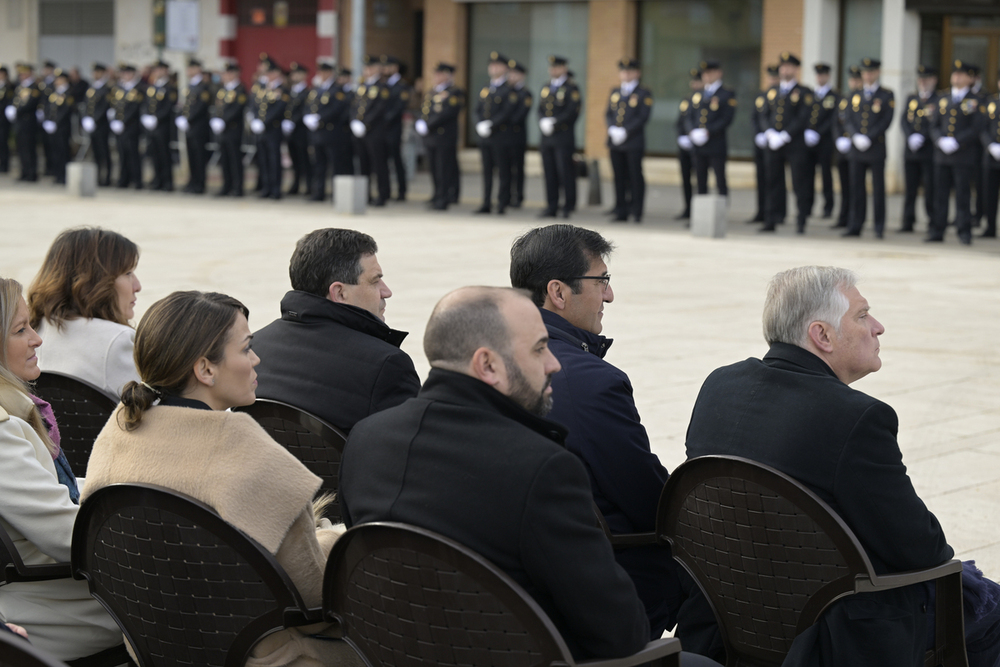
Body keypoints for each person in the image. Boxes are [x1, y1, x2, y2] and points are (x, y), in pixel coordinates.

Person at [683, 266, 1000, 667]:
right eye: (863, 315)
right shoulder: (857, 417)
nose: (878, 327)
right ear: (822, 335)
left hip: (733, 616)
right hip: (834, 636)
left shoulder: (719, 385)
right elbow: (925, 551)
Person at [339, 285, 649, 660]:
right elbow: (621, 634)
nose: (554, 363)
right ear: (487, 365)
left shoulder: (365, 438)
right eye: (539, 348)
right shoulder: (542, 467)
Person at [82, 291, 363, 667]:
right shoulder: (240, 445)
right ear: (206, 369)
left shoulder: (121, 428)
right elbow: (313, 596)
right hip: (261, 655)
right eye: (246, 349)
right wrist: (334, 540)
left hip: (153, 648)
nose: (256, 358)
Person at [509, 224, 681, 639]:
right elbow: (648, 499)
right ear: (558, 292)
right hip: (600, 578)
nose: (609, 295)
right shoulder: (591, 381)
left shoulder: (495, 359)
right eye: (601, 280)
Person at [0, 277, 123, 661]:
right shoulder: (3, 430)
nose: (37, 340)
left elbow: (49, 491)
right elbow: (65, 534)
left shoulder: (12, 412)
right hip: (56, 601)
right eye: (21, 329)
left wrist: (127, 488)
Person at [253, 229, 419, 433]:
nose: (387, 291)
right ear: (339, 293)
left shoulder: (253, 349)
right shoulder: (387, 366)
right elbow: (411, 451)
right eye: (375, 281)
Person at [27, 228, 141, 398]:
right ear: (96, 281)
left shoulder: (30, 330)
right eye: (128, 273)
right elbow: (153, 412)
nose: (137, 286)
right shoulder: (118, 340)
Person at [927, 60, 984, 245]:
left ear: (970, 78)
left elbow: (977, 128)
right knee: (940, 195)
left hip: (963, 155)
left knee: (962, 195)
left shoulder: (976, 100)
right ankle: (938, 229)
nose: (956, 77)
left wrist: (957, 141)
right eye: (955, 73)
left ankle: (964, 231)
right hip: (942, 155)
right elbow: (934, 125)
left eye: (961, 74)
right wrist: (940, 140)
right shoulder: (942, 98)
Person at [841, 58, 894, 239]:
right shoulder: (854, 94)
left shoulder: (887, 95)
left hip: (876, 147)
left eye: (871, 72)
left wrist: (869, 137)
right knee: (856, 188)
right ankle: (856, 224)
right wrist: (855, 136)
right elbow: (847, 118)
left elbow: (886, 120)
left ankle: (879, 226)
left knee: (878, 189)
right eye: (865, 72)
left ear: (877, 73)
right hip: (857, 148)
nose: (868, 75)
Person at [762, 53, 814, 233]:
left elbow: (802, 117)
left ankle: (801, 220)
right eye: (782, 67)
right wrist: (769, 132)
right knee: (772, 181)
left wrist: (785, 135)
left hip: (794, 144)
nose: (785, 70)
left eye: (789, 67)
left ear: (796, 69)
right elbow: (764, 114)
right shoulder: (772, 92)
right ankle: (771, 218)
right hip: (774, 143)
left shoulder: (804, 92)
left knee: (799, 182)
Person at [606, 57, 653, 223]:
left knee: (634, 175)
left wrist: (626, 130)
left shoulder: (643, 93)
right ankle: (621, 209)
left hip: (633, 141)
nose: (625, 74)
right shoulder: (615, 92)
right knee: (619, 176)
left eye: (629, 71)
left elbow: (642, 117)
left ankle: (637, 210)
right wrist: (612, 128)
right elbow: (609, 114)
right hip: (615, 141)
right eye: (623, 71)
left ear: (637, 73)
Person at [685, 60, 735, 200]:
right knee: (700, 179)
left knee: (720, 178)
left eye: (710, 73)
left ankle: (721, 212)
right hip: (698, 144)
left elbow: (726, 118)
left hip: (715, 143)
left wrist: (708, 131)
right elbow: (688, 116)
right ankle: (701, 215)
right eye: (705, 74)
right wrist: (692, 132)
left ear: (719, 73)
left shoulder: (726, 93)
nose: (706, 76)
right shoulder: (698, 94)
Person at [416, 63, 464, 211]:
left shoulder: (455, 93)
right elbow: (425, 111)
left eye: (439, 74)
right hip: (430, 137)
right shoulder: (432, 92)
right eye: (435, 74)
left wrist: (428, 124)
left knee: (444, 167)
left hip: (444, 136)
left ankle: (444, 197)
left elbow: (447, 113)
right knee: (434, 167)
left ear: (447, 75)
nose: (436, 77)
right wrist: (420, 122)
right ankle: (437, 194)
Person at [538, 55, 581, 219]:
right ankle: (551, 205)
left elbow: (572, 112)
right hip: (547, 137)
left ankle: (568, 205)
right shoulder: (546, 87)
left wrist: (555, 123)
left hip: (563, 136)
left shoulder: (571, 88)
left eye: (557, 67)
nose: (553, 70)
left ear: (564, 68)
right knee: (549, 172)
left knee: (565, 172)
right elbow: (540, 108)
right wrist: (542, 121)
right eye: (551, 67)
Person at [304, 63, 353, 201]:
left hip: (332, 133)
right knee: (319, 165)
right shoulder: (316, 90)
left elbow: (336, 109)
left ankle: (337, 195)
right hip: (317, 133)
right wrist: (308, 117)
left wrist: (320, 118)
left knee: (335, 165)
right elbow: (309, 106)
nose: (322, 75)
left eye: (325, 72)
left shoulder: (337, 90)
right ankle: (319, 192)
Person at [474, 52, 515, 215]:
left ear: (505, 68)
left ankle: (502, 202)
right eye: (491, 65)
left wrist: (491, 124)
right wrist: (478, 123)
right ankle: (486, 202)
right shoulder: (486, 88)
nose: (493, 68)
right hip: (485, 137)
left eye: (497, 65)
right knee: (486, 170)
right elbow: (476, 109)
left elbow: (507, 112)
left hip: (501, 136)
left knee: (503, 170)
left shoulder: (508, 90)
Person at [900, 65, 939, 233]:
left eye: (927, 79)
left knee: (930, 189)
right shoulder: (912, 99)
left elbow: (937, 124)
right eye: (920, 79)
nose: (923, 82)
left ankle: (932, 222)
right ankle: (907, 221)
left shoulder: (938, 100)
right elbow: (904, 120)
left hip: (928, 150)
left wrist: (922, 136)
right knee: (910, 189)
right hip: (911, 151)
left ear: (934, 80)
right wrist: (910, 136)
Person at [351, 55, 390, 206]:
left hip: (375, 132)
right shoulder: (362, 86)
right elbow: (354, 106)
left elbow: (379, 109)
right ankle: (365, 195)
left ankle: (382, 194)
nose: (368, 70)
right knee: (363, 165)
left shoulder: (382, 87)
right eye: (366, 67)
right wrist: (354, 121)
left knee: (378, 164)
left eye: (371, 67)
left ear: (377, 69)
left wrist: (364, 124)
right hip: (359, 131)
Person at [251, 61, 289, 200]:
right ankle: (266, 188)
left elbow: (279, 109)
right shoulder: (262, 88)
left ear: (276, 73)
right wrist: (255, 119)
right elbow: (255, 104)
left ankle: (276, 189)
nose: (267, 76)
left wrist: (264, 122)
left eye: (270, 73)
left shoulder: (282, 88)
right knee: (263, 160)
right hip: (261, 130)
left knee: (274, 160)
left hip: (273, 129)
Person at [748, 65, 780, 224]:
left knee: (775, 180)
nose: (772, 80)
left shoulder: (781, 95)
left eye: (775, 77)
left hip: (775, 142)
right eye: (770, 77)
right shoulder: (761, 96)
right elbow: (755, 117)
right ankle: (761, 211)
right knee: (761, 178)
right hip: (761, 142)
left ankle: (777, 212)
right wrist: (759, 133)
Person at [832, 66, 863, 229]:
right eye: (852, 79)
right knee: (844, 185)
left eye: (857, 79)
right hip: (843, 148)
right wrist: (838, 139)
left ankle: (854, 217)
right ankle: (843, 216)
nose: (854, 83)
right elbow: (837, 122)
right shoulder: (844, 100)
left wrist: (853, 139)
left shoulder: (863, 99)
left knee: (855, 186)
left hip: (855, 147)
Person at [807, 63, 837, 219]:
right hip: (809, 142)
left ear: (828, 76)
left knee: (826, 174)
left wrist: (818, 132)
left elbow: (833, 119)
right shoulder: (810, 95)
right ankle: (808, 205)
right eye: (818, 75)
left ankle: (828, 206)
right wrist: (808, 131)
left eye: (823, 75)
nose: (820, 78)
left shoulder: (834, 96)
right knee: (808, 175)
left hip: (825, 141)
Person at [211, 63, 247, 197]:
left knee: (235, 159)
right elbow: (217, 107)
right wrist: (215, 118)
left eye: (227, 73)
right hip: (222, 131)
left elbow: (237, 109)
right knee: (224, 159)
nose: (224, 76)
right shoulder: (223, 90)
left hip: (233, 129)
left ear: (234, 74)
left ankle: (238, 187)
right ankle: (226, 185)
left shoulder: (240, 89)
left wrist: (223, 120)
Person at [140, 60, 176, 192]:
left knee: (164, 154)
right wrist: (145, 116)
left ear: (166, 71)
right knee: (154, 154)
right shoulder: (152, 87)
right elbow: (145, 103)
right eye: (156, 70)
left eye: (160, 69)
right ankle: (157, 180)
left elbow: (169, 106)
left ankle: (167, 182)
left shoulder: (170, 87)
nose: (158, 72)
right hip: (151, 126)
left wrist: (157, 118)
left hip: (163, 126)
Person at [177, 58, 211, 195]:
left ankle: (200, 183)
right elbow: (185, 105)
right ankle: (192, 181)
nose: (188, 71)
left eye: (191, 68)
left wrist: (188, 118)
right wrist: (181, 116)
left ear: (198, 69)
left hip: (198, 126)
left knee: (199, 156)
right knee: (191, 155)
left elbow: (200, 107)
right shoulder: (191, 86)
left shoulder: (203, 86)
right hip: (189, 127)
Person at [110, 64, 144, 190]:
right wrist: (114, 119)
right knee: (122, 153)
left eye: (127, 73)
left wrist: (123, 121)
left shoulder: (138, 88)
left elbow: (134, 108)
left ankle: (136, 180)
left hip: (131, 126)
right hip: (119, 126)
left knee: (133, 153)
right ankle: (123, 178)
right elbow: (116, 105)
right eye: (123, 73)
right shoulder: (119, 88)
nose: (125, 76)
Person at [676, 67, 702, 221]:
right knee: (685, 177)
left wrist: (694, 135)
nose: (694, 84)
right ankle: (687, 207)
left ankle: (698, 210)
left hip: (698, 143)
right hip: (685, 143)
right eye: (693, 81)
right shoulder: (687, 99)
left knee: (699, 178)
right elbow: (681, 120)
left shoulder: (704, 99)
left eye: (697, 80)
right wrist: (681, 136)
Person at [382, 56, 411, 201]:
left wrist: (385, 119)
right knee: (383, 161)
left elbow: (400, 106)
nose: (385, 69)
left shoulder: (401, 85)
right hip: (381, 129)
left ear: (395, 68)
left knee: (397, 160)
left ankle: (401, 190)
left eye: (389, 66)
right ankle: (385, 191)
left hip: (393, 128)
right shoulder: (383, 84)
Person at [7, 63, 42, 182]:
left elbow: (30, 104)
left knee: (29, 148)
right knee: (21, 148)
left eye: (23, 73)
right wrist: (11, 108)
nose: (21, 76)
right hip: (19, 122)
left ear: (29, 73)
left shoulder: (34, 87)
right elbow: (15, 100)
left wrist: (17, 110)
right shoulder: (20, 87)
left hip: (28, 122)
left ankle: (32, 173)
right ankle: (24, 172)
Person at [81, 62, 113, 187]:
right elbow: (86, 105)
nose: (95, 74)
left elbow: (104, 106)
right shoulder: (91, 88)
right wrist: (85, 118)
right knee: (95, 152)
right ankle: (97, 176)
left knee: (104, 151)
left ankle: (107, 177)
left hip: (101, 125)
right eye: (94, 72)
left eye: (98, 72)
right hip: (91, 125)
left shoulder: (107, 89)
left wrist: (94, 119)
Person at [40, 70, 74, 185]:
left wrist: (56, 122)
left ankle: (64, 176)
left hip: (62, 128)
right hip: (52, 127)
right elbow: (48, 108)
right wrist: (47, 120)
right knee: (54, 152)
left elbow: (65, 110)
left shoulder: (69, 92)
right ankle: (57, 174)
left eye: (59, 79)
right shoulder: (54, 93)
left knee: (63, 152)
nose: (56, 81)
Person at [283, 61, 312, 197]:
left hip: (301, 130)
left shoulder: (307, 92)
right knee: (294, 158)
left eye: (297, 73)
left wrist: (293, 121)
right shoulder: (290, 91)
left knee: (303, 158)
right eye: (293, 73)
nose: (294, 76)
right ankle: (296, 184)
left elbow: (304, 110)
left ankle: (308, 185)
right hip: (290, 131)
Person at [981, 74, 1000, 239]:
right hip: (991, 156)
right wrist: (991, 145)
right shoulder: (991, 102)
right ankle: (990, 227)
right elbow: (982, 127)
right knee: (990, 194)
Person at [0, 66, 15, 174]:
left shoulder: (9, 87)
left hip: (3, 120)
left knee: (3, 142)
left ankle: (4, 165)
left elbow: (7, 102)